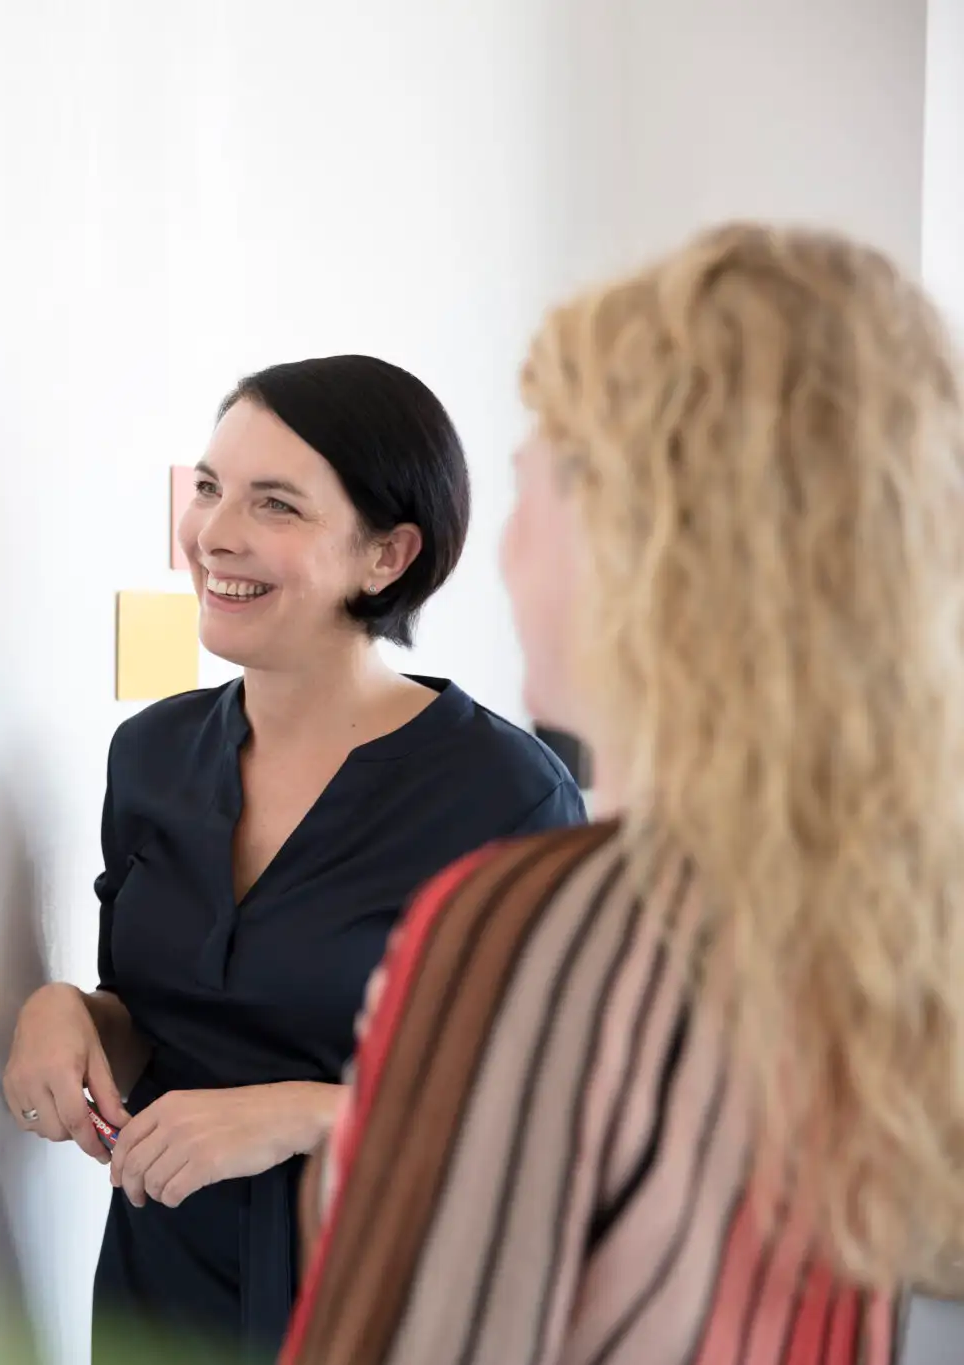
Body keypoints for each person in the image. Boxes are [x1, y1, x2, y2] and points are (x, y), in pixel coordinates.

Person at [281, 224, 964, 1365]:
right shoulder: (903, 919)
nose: (499, 550)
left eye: (530, 487)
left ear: (651, 537)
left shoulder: (533, 930)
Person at [2, 355, 587, 1365]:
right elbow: (163, 1020)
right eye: (209, 488)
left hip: (385, 1297)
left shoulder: (503, 793)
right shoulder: (149, 757)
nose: (215, 533)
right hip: (163, 1285)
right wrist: (67, 1013)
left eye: (275, 505)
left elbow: (557, 1116)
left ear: (385, 555)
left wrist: (306, 1117)